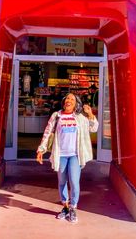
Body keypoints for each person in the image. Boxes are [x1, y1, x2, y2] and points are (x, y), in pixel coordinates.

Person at [36, 93, 99, 223]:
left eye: (72, 99)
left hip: (75, 155)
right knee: (62, 182)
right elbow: (47, 133)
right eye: (67, 98)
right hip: (61, 155)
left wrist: (91, 114)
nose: (69, 100)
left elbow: (94, 128)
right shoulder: (56, 116)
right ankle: (65, 207)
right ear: (64, 102)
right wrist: (41, 149)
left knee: (74, 182)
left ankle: (73, 207)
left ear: (76, 104)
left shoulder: (80, 117)